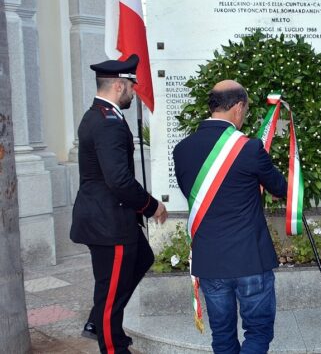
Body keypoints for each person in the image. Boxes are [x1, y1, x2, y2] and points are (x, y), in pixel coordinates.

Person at [173, 80, 287, 354]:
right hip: (250, 259)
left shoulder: (182, 149)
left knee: (222, 335)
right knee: (257, 333)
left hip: (210, 260)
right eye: (245, 109)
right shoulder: (249, 148)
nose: (244, 114)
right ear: (237, 107)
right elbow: (281, 188)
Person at [70, 54, 168, 354]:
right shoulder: (108, 122)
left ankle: (96, 321)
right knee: (110, 294)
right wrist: (152, 206)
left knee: (142, 259)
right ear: (118, 86)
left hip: (107, 218)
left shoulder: (98, 114)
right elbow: (119, 181)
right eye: (131, 86)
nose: (133, 92)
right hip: (108, 224)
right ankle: (112, 346)